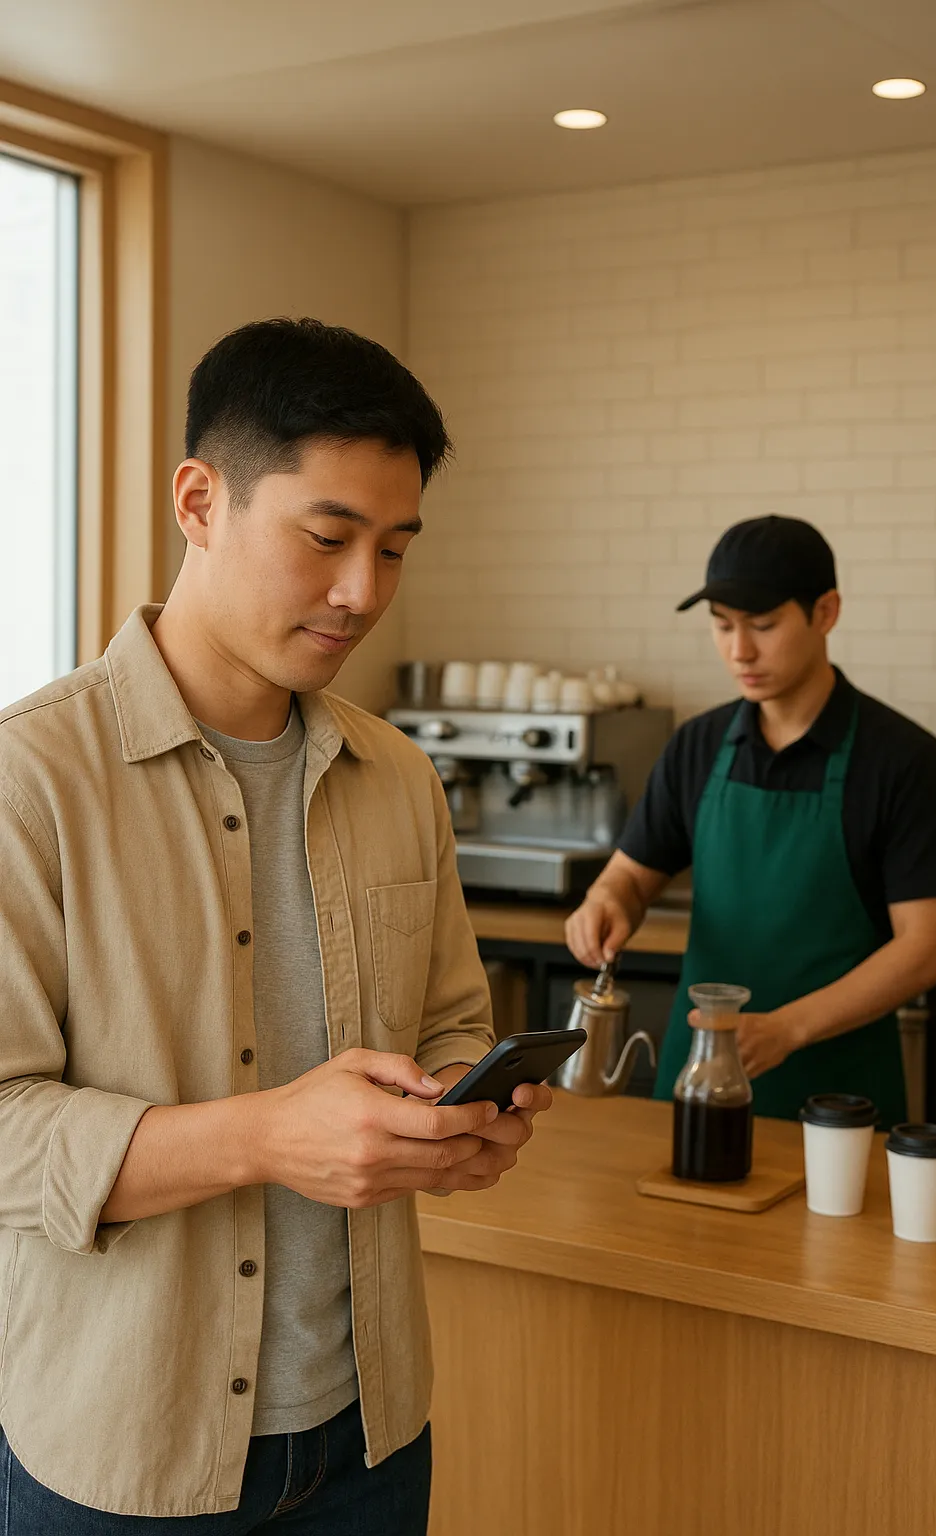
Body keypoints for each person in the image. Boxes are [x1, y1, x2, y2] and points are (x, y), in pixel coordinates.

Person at [0, 317, 552, 1533]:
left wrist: (459, 1110)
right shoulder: (30, 779)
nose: (364, 593)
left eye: (393, 549)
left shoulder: (399, 777)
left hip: (370, 1437)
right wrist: (266, 1137)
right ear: (199, 501)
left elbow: (452, 1020)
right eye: (326, 537)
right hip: (122, 1447)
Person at [566, 515, 936, 1129]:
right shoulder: (697, 746)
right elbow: (629, 876)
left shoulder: (906, 761)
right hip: (698, 1083)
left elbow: (925, 949)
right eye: (722, 625)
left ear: (826, 612)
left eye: (763, 625)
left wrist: (786, 1029)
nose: (740, 651)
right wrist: (606, 902)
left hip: (840, 1102)